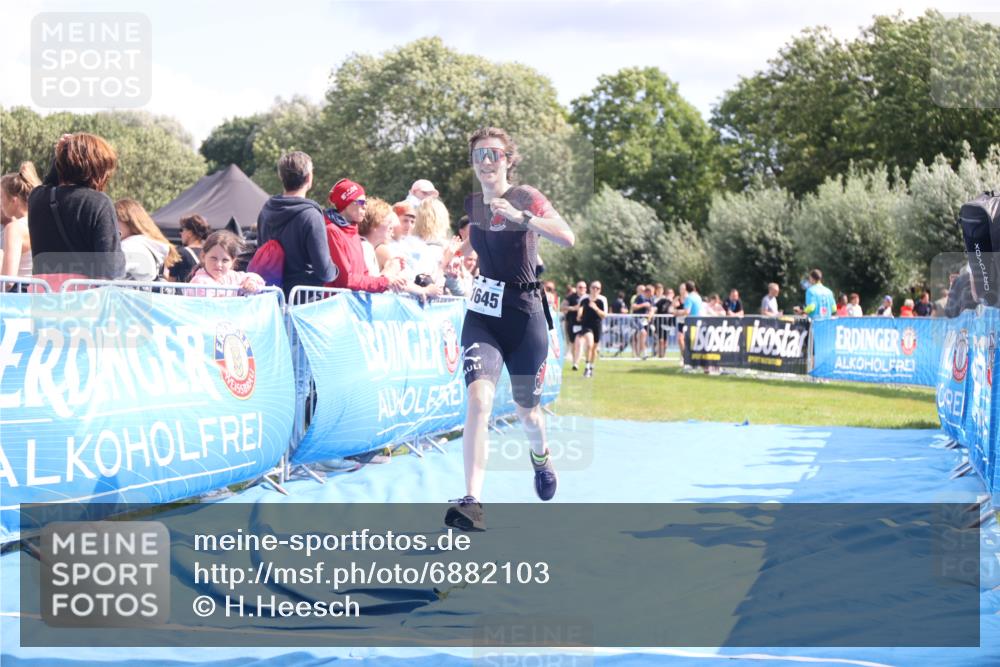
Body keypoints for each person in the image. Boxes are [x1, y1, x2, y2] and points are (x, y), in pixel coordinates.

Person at [445, 127, 574, 532]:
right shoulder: (473, 204)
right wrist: (458, 255)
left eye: (494, 155)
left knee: (527, 412)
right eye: (479, 154)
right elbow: (480, 241)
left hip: (525, 315)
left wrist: (524, 218)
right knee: (479, 400)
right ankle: (472, 501)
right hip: (483, 317)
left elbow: (568, 237)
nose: (486, 161)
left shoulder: (525, 196)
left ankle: (541, 457)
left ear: (508, 160)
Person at [28, 132, 126, 287]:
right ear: (97, 168)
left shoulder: (36, 198)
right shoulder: (99, 203)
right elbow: (111, 268)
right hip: (84, 301)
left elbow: (49, 182)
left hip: (43, 297)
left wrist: (61, 155)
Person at [256, 151, 338, 296]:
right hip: (305, 300)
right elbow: (324, 271)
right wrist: (336, 271)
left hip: (271, 295)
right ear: (309, 178)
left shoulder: (265, 211)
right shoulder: (311, 216)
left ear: (281, 177)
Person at [324, 178, 406, 293]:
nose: (365, 207)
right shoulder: (332, 231)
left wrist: (387, 278)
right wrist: (384, 281)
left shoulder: (353, 232)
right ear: (347, 204)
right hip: (336, 305)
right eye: (361, 202)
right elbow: (345, 280)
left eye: (365, 202)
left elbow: (364, 274)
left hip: (351, 305)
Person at [114, 199, 179, 282]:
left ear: (129, 221)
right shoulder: (147, 245)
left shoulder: (130, 246)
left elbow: (107, 273)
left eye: (115, 220)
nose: (112, 225)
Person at [0, 162, 41, 286]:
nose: (0, 203)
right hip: (38, 294)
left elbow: (8, 281)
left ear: (14, 200)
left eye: (1, 197)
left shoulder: (14, 229)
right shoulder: (41, 222)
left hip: (18, 298)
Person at [189, 230, 264, 295]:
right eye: (213, 258)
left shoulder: (232, 276)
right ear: (203, 256)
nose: (219, 264)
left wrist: (251, 282)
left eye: (225, 260)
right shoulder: (199, 281)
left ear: (233, 261)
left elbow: (256, 278)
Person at [576, 281, 608, 378]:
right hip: (586, 325)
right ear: (590, 288)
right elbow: (580, 308)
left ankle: (591, 367)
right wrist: (579, 314)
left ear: (600, 290)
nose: (595, 290)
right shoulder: (584, 298)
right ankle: (586, 367)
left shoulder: (602, 300)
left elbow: (604, 315)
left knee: (594, 348)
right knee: (589, 344)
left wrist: (595, 308)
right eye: (593, 287)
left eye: (597, 288)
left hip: (597, 325)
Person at [171, 213, 210, 282]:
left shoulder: (180, 252)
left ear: (190, 233)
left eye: (182, 229)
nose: (181, 233)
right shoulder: (210, 252)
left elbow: (170, 279)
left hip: (185, 292)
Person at [562, 281, 587, 370]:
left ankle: (576, 363)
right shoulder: (571, 297)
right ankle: (574, 360)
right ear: (576, 288)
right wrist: (573, 308)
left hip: (583, 324)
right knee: (573, 344)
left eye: (584, 287)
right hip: (572, 323)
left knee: (579, 343)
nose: (582, 289)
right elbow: (562, 307)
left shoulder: (587, 298)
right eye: (580, 287)